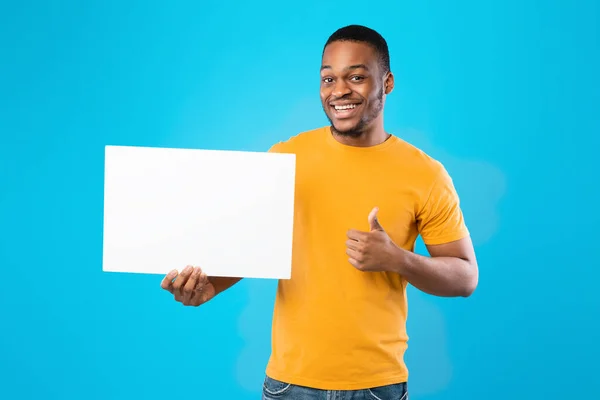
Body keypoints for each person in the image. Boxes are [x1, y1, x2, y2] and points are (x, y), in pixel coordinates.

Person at [160, 24, 479, 400]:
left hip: (377, 386)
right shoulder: (285, 158)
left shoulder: (425, 174)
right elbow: (255, 248)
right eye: (328, 79)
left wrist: (398, 259)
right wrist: (209, 286)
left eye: (356, 77)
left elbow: (465, 277)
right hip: (290, 383)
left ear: (387, 83)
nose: (339, 90)